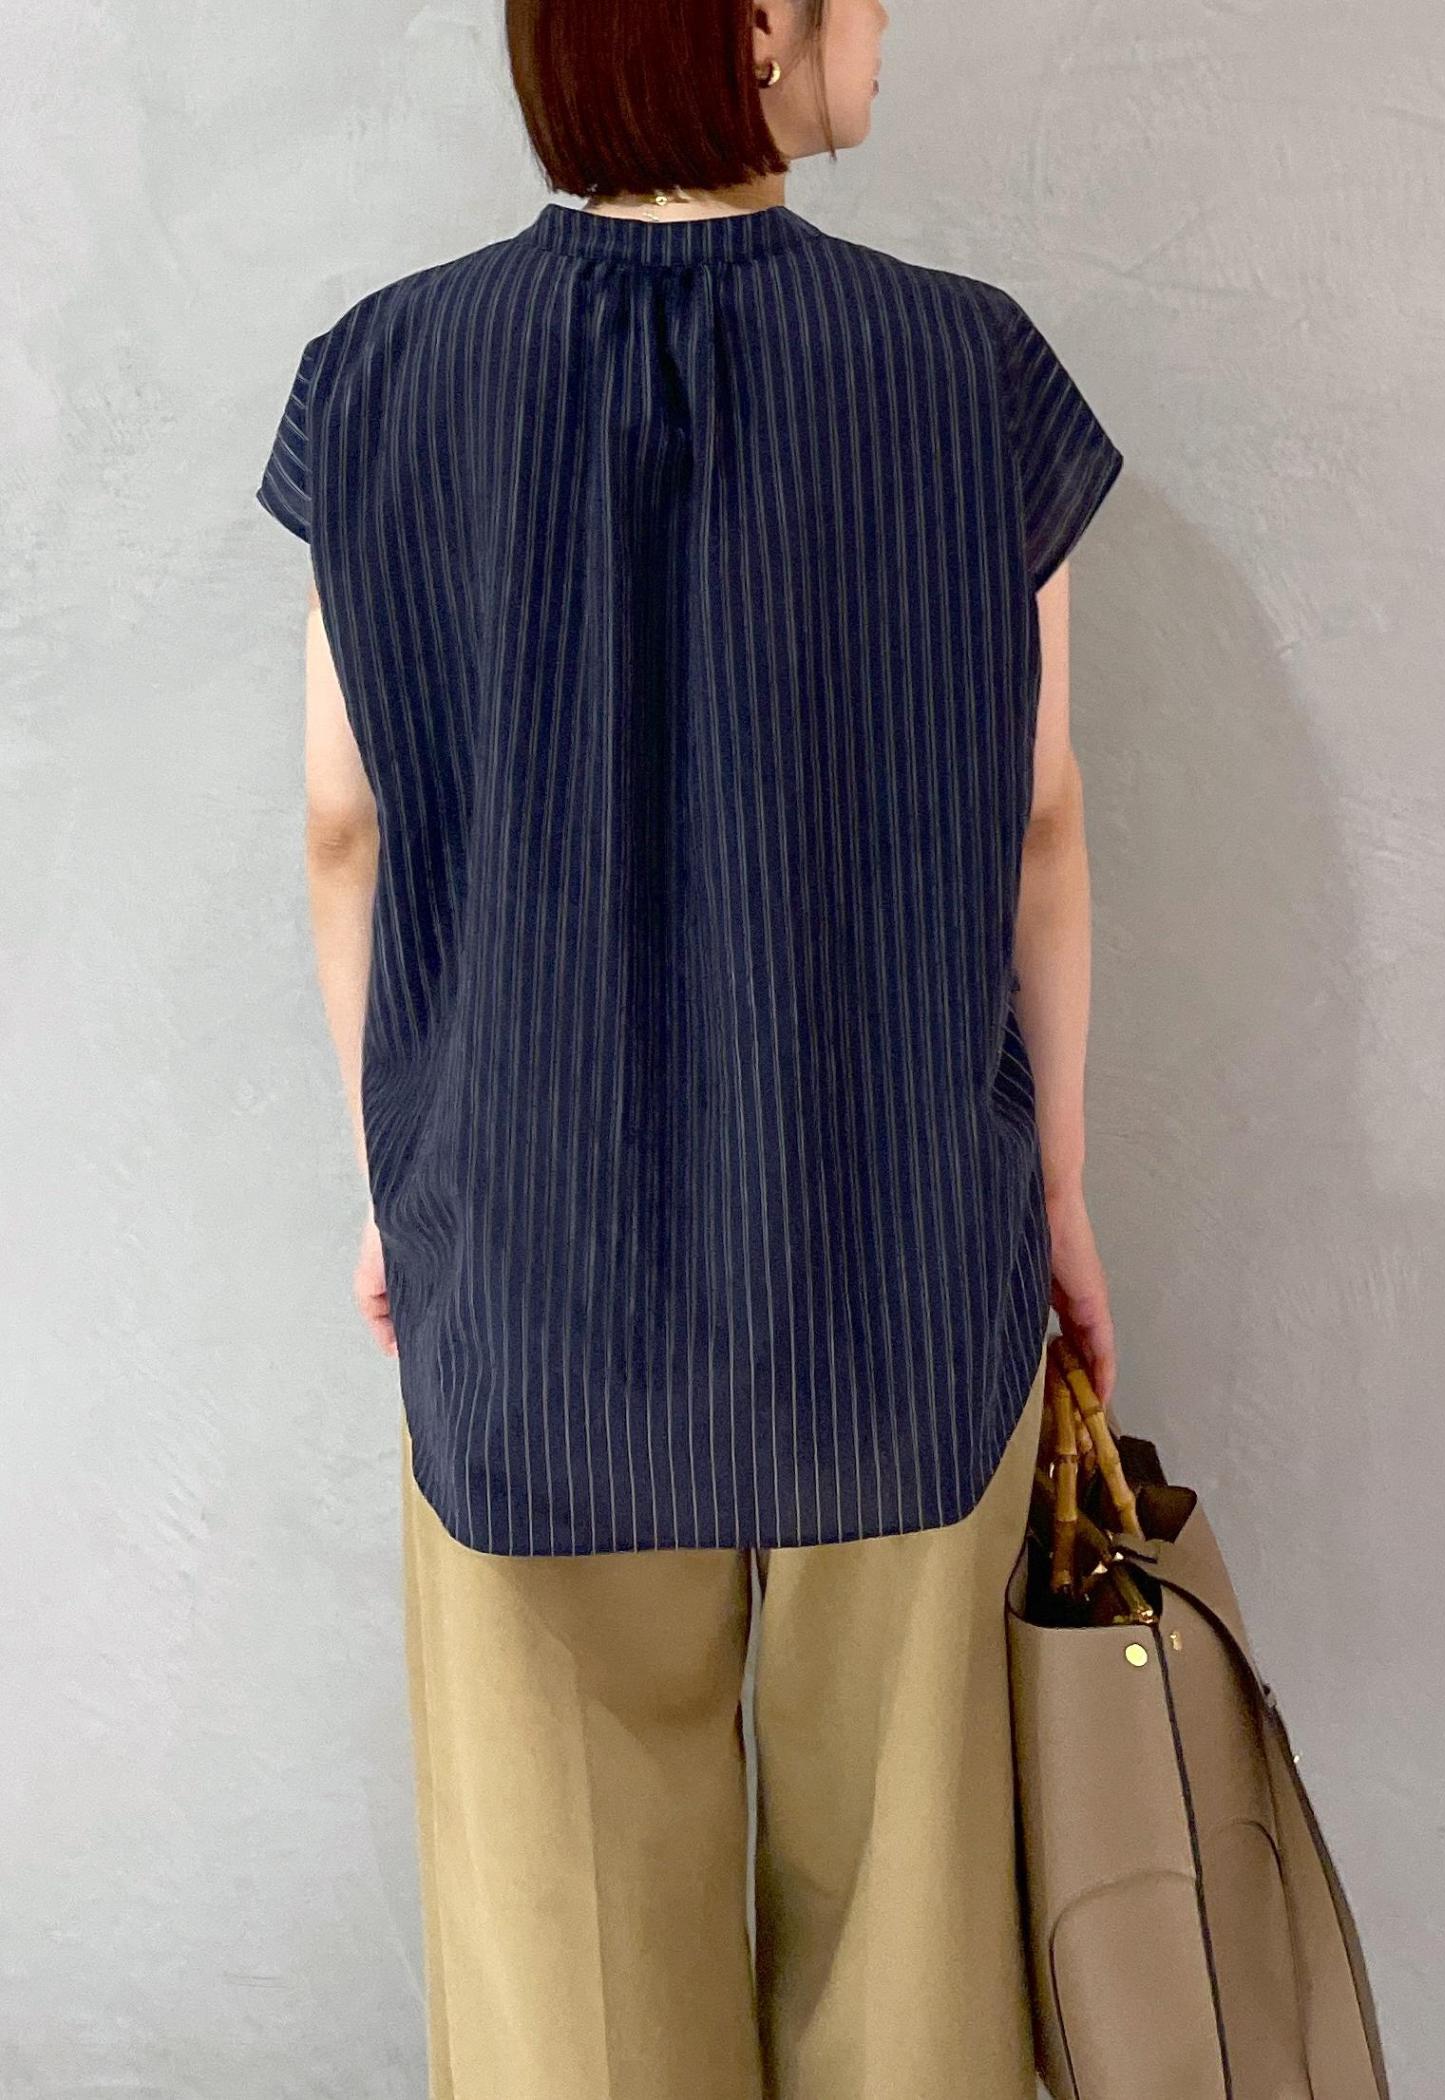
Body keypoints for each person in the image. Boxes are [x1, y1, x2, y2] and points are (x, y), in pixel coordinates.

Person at [256, 1, 1125, 2093]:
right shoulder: (966, 369)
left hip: (527, 1282)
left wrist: (394, 1190)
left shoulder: (382, 374)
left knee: (566, 1979)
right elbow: (1036, 825)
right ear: (756, 28)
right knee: (918, 1953)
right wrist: (1064, 1204)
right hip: (896, 1280)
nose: (884, 29)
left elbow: (342, 828)